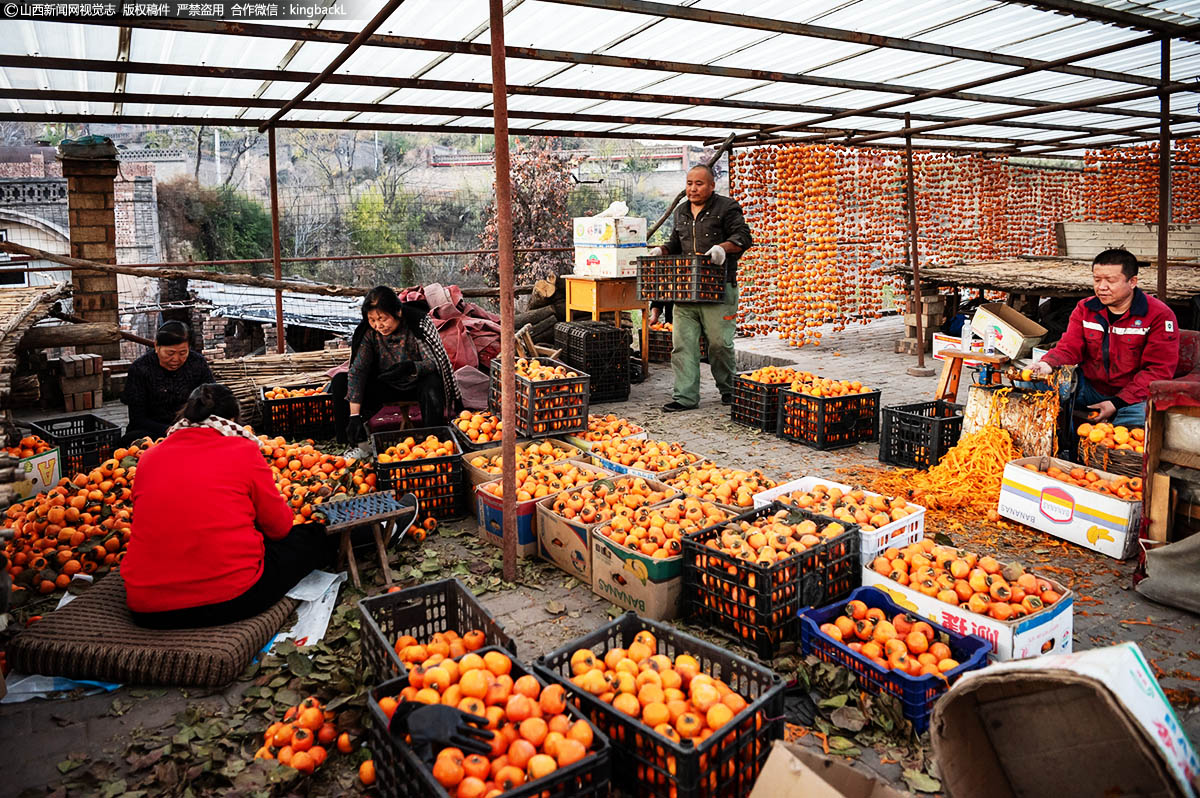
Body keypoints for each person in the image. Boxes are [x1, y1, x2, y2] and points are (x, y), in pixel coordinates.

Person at [122, 384, 336, 628]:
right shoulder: (242, 451)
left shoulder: (149, 458)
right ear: (232, 420)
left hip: (147, 607)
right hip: (229, 599)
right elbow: (280, 528)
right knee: (309, 538)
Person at [1032, 249, 1180, 427]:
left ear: (1132, 282)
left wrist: (1117, 403)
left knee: (1140, 422)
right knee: (1033, 384)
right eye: (1097, 280)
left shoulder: (1158, 315)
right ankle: (1061, 443)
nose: (1101, 287)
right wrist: (1046, 364)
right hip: (1089, 388)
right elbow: (1069, 346)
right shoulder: (1085, 308)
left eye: (1110, 281)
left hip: (1135, 395)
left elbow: (1157, 370)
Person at [650, 164, 752, 412]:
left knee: (719, 343)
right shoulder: (682, 210)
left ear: (711, 186)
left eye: (699, 183)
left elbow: (743, 237)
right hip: (686, 289)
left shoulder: (726, 207)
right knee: (682, 343)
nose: (693, 188)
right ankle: (685, 397)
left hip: (718, 288)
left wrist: (722, 248)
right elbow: (676, 243)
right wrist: (661, 250)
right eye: (689, 183)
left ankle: (729, 390)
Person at [330, 286, 462, 448]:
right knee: (340, 381)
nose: (379, 325)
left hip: (417, 384)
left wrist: (411, 368)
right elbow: (358, 371)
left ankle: (433, 440)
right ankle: (352, 444)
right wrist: (354, 416)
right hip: (385, 383)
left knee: (432, 383)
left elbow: (435, 363)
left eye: (383, 319)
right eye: (373, 320)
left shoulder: (417, 323)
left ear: (397, 312)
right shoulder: (369, 333)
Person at [120, 320, 213, 445]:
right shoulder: (140, 369)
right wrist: (168, 430)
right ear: (157, 346)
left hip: (188, 430)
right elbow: (137, 419)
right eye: (170, 353)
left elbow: (211, 398)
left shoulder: (197, 363)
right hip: (152, 432)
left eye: (182, 353)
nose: (176, 359)